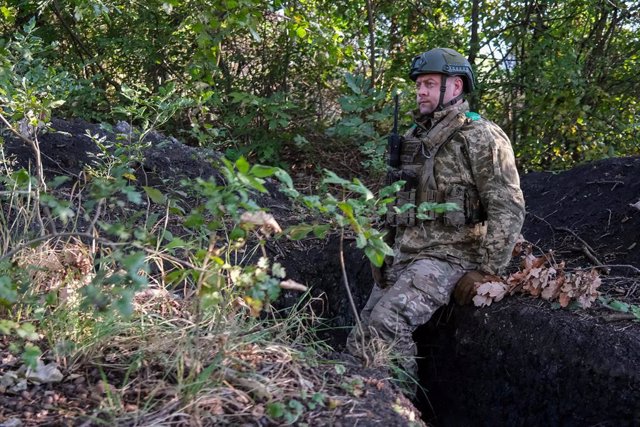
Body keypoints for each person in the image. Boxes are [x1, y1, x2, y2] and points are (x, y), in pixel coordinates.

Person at [346, 47, 525, 388]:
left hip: (452, 255)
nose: (420, 91)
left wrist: (488, 271)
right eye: (418, 85)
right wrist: (384, 246)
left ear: (455, 87)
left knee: (387, 325)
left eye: (429, 83)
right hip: (409, 253)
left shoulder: (482, 136)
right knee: (361, 331)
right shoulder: (415, 137)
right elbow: (400, 200)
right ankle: (359, 403)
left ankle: (397, 407)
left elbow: (507, 205)